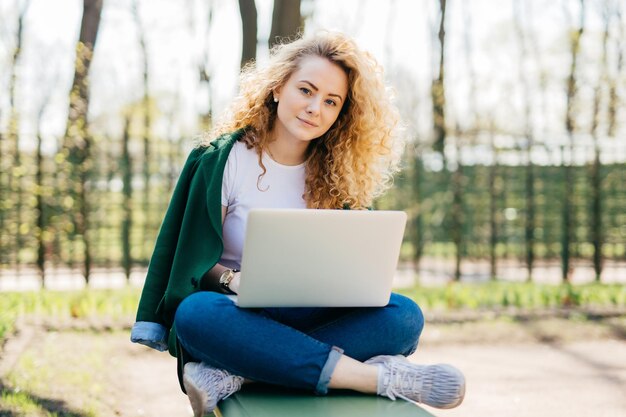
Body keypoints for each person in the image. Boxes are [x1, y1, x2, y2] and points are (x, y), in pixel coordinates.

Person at [131, 31, 465, 417]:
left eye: (330, 101)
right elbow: (193, 262)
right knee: (195, 315)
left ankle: (240, 375)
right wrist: (233, 280)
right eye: (306, 90)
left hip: (308, 312)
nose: (314, 108)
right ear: (276, 88)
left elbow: (355, 265)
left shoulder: (340, 177)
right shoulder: (222, 160)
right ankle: (376, 378)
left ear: (341, 113)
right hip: (239, 314)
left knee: (404, 317)